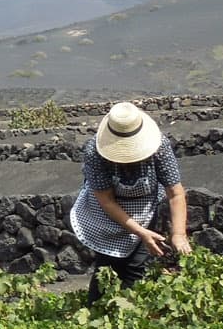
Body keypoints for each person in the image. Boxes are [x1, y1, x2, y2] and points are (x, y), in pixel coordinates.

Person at [70, 101, 190, 302]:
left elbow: (175, 193)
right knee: (107, 267)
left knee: (135, 268)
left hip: (145, 210)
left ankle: (130, 311)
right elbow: (107, 201)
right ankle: (96, 310)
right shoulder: (95, 152)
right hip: (106, 215)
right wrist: (141, 232)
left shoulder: (159, 146)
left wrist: (179, 234)